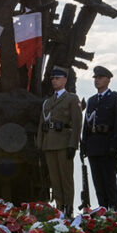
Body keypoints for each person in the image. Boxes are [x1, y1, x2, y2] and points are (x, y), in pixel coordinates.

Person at [36, 66, 82, 217]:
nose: (54, 81)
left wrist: (73, 145)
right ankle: (59, 208)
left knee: (65, 178)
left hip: (63, 142)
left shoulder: (72, 99)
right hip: (49, 143)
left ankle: (68, 208)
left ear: (65, 80)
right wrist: (40, 144)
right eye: (53, 79)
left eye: (57, 78)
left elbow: (76, 124)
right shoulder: (48, 102)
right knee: (55, 179)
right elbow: (42, 124)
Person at [81, 66, 117, 210]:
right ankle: (102, 208)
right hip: (93, 145)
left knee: (109, 180)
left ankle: (112, 209)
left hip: (108, 144)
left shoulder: (115, 98)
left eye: (100, 78)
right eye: (95, 78)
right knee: (97, 181)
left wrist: (116, 145)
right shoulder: (91, 100)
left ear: (108, 79)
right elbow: (86, 124)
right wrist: (84, 144)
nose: (97, 81)